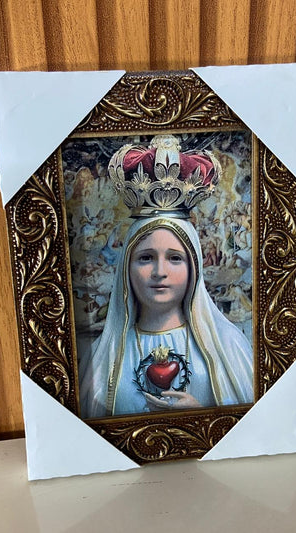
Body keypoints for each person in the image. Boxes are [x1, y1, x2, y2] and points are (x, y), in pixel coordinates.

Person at [78, 135, 253, 418]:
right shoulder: (103, 356)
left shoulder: (229, 346)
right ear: (126, 267)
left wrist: (201, 415)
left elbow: (250, 427)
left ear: (194, 266)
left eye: (175, 258)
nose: (160, 272)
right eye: (146, 258)